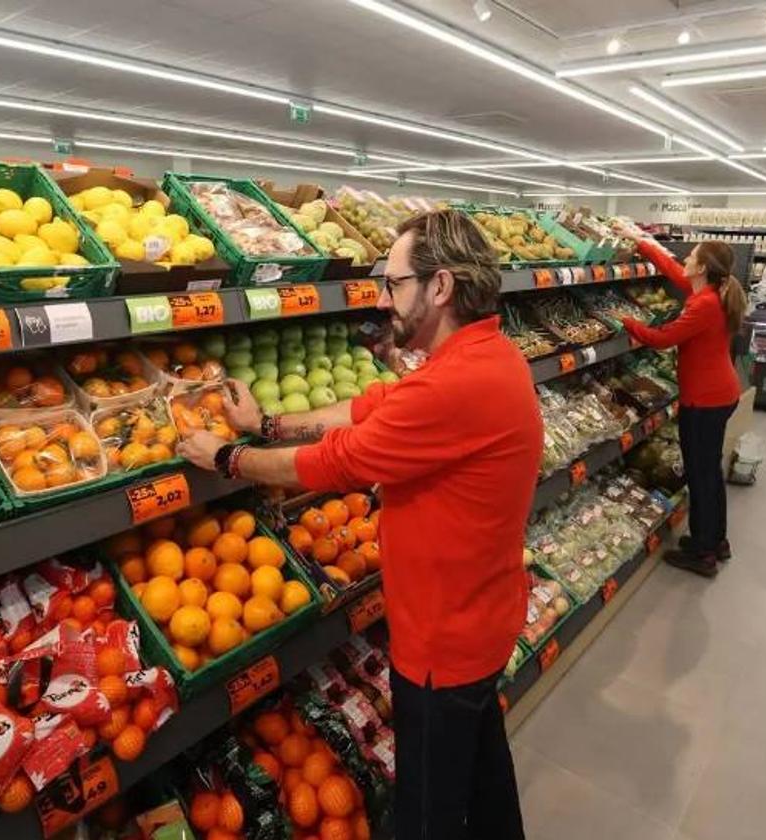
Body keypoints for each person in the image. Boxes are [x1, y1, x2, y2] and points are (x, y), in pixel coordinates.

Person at [179, 208, 541, 840]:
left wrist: (228, 457)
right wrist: (267, 424)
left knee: (427, 810)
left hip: (443, 639)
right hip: (481, 616)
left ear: (440, 286)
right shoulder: (480, 356)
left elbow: (339, 460)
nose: (383, 298)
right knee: (484, 777)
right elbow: (371, 405)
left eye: (394, 283)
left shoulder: (454, 385)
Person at [611, 220, 746, 578]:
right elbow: (671, 268)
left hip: (704, 402)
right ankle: (715, 539)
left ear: (702, 268)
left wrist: (626, 322)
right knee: (710, 472)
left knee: (701, 475)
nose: (685, 259)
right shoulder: (710, 290)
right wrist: (640, 243)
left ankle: (703, 553)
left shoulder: (703, 305)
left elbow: (662, 338)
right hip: (720, 394)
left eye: (693, 256)